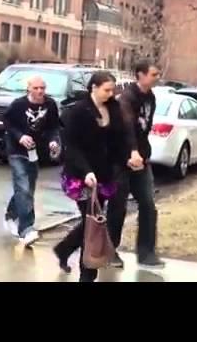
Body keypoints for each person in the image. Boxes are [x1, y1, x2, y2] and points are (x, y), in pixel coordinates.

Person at [53, 71, 128, 282]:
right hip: (81, 175)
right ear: (93, 87)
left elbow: (120, 138)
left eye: (113, 90)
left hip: (105, 175)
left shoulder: (113, 109)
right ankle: (87, 276)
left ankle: (64, 248)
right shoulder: (78, 112)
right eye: (107, 90)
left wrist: (129, 156)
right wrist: (86, 171)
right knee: (91, 224)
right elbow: (73, 147)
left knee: (92, 222)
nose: (111, 94)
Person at [107, 59, 165, 269]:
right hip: (121, 160)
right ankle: (109, 250)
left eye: (157, 74)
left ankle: (147, 252)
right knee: (117, 206)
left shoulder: (151, 97)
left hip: (142, 160)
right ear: (140, 75)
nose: (157, 78)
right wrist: (132, 151)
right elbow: (127, 127)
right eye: (153, 74)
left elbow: (144, 129)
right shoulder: (126, 98)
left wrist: (143, 153)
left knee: (148, 205)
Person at [2, 75, 61, 246]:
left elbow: (53, 126)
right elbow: (7, 122)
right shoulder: (19, 104)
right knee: (23, 186)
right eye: (36, 88)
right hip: (16, 150)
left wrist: (53, 140)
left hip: (35, 152)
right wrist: (19, 136)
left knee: (28, 189)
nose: (40, 91)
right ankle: (26, 229)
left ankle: (11, 214)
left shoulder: (50, 104)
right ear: (28, 88)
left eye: (42, 88)